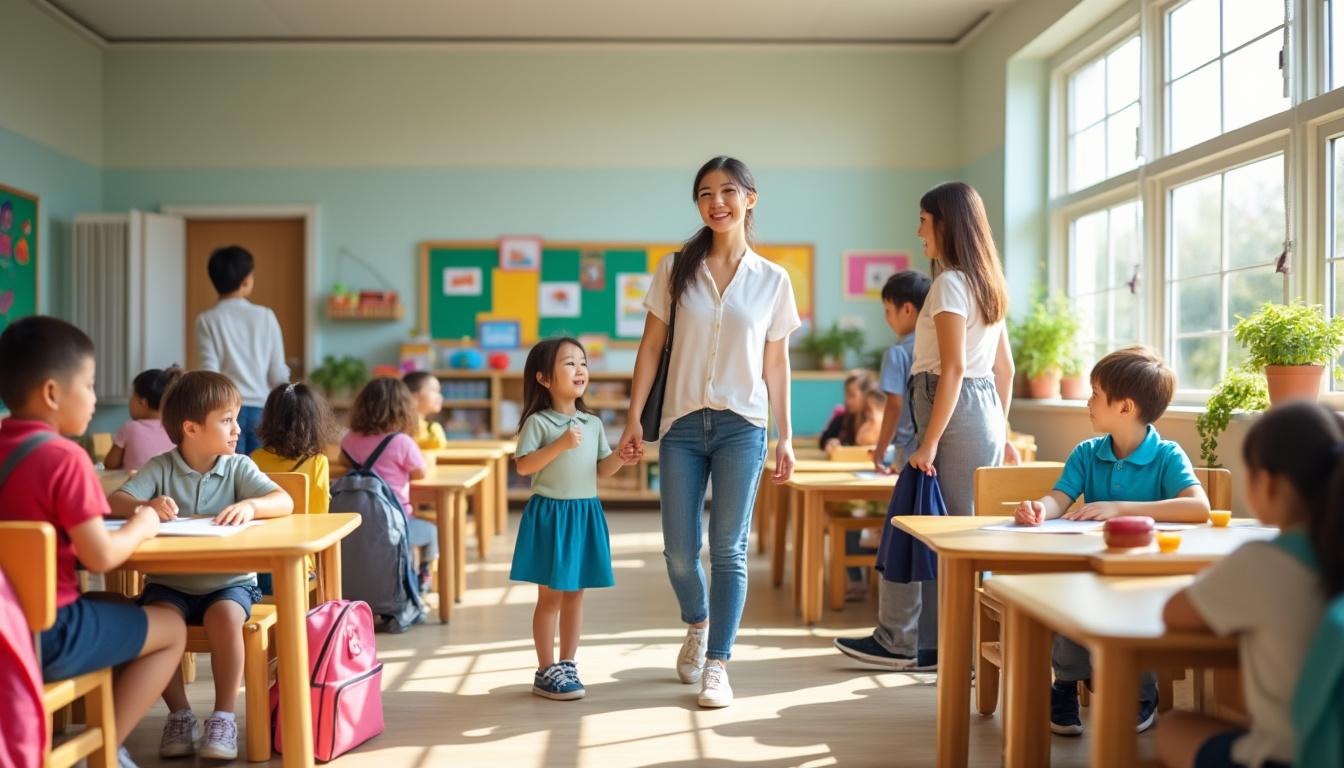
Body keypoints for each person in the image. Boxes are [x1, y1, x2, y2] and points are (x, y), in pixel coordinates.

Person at [618, 156, 801, 708]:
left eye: (727, 191)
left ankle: (718, 662)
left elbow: (777, 364)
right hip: (679, 423)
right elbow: (651, 348)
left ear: (750, 197)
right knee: (678, 550)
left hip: (741, 424)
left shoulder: (773, 279)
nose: (716, 202)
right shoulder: (675, 269)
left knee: (730, 549)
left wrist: (784, 435)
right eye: (705, 194)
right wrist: (631, 417)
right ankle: (696, 622)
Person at [0, 316, 186, 768]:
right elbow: (99, 555)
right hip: (48, 637)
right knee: (172, 628)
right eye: (89, 383)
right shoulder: (65, 457)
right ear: (51, 392)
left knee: (121, 608)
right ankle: (104, 750)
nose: (95, 397)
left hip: (10, 631)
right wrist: (142, 523)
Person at [1013, 347, 1210, 735]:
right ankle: (1065, 684)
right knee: (1067, 593)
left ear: (1125, 408)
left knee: (1139, 604)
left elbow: (1198, 508)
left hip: (1145, 577)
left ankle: (1140, 694)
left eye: (1095, 394)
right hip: (1088, 568)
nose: (1088, 401)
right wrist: (1038, 508)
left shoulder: (1168, 455)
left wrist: (1120, 508)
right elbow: (1059, 499)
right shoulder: (1086, 453)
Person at [109, 371, 293, 762]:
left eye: (235, 418)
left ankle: (223, 716)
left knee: (226, 619)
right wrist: (146, 505)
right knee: (159, 626)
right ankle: (180, 715)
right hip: (169, 586)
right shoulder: (161, 467)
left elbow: (284, 501)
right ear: (191, 428)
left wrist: (251, 505)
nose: (237, 428)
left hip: (229, 584)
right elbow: (115, 501)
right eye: (226, 420)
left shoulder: (239, 466)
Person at [1157, 402, 1343, 768]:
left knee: (1173, 727)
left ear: (1267, 483)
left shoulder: (1261, 563)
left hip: (1293, 758)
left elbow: (1174, 612)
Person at [900, 182, 1019, 673]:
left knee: (948, 535)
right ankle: (951, 649)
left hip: (953, 410)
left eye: (924, 221)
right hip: (983, 408)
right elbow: (1004, 370)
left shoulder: (949, 284)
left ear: (945, 224)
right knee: (968, 531)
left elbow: (950, 369)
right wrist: (1003, 432)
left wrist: (928, 442)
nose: (919, 231)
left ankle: (953, 653)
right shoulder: (987, 281)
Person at [510, 337, 634, 700]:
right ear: (544, 379)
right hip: (551, 516)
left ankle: (568, 664)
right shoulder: (539, 422)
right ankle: (545, 670)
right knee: (549, 599)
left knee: (575, 596)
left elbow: (602, 469)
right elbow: (523, 466)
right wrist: (561, 444)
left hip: (584, 514)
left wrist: (622, 456)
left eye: (583, 363)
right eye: (569, 363)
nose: (580, 369)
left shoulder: (592, 423)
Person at [833, 270, 937, 665]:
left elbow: (893, 405)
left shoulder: (898, 353)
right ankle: (925, 635)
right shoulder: (937, 343)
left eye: (888, 311)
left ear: (908, 310)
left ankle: (898, 636)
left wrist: (880, 448)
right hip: (934, 450)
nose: (887, 319)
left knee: (901, 538)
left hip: (909, 452)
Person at [340, 377, 435, 593]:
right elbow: (420, 472)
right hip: (396, 521)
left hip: (356, 522)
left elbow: (344, 462)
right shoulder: (402, 442)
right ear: (403, 409)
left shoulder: (349, 439)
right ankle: (423, 573)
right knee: (431, 532)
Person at [194, 244, 290, 454]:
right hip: (262, 411)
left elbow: (210, 373)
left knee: (228, 478)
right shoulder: (266, 316)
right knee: (260, 478)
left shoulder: (207, 320)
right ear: (246, 280)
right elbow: (278, 372)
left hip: (224, 412)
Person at [251, 382, 335, 592]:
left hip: (257, 565)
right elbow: (318, 520)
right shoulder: (317, 462)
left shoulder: (253, 460)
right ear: (315, 421)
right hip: (298, 564)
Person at [104, 367, 181, 470]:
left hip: (137, 484)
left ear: (142, 402)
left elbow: (110, 463)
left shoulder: (129, 428)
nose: (130, 401)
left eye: (132, 396)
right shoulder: (175, 428)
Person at [818, 370, 883, 454]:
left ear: (866, 395)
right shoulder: (842, 418)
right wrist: (830, 443)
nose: (847, 401)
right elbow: (823, 441)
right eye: (846, 395)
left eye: (852, 395)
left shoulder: (878, 420)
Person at [404, 370, 448, 450]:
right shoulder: (403, 429)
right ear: (413, 396)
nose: (440, 397)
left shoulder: (430, 429)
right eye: (435, 390)